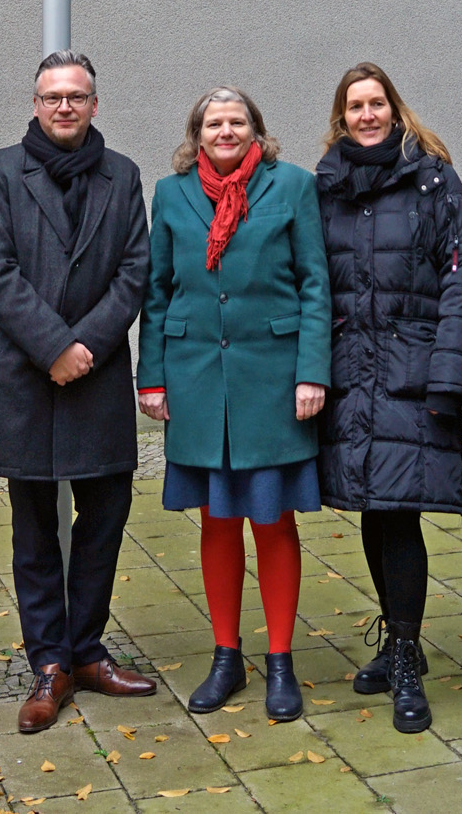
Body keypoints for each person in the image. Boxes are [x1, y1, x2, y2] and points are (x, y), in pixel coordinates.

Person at [0, 51, 157, 734]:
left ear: (95, 103)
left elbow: (135, 270)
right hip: (25, 374)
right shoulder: (0, 171)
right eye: (52, 95)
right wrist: (53, 346)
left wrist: (86, 346)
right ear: (35, 104)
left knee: (106, 512)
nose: (64, 105)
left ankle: (88, 651)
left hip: (94, 373)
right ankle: (49, 662)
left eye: (76, 95)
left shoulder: (123, 175)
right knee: (35, 523)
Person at [137, 87, 331, 723]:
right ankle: (226, 656)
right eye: (213, 122)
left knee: (273, 521)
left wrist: (312, 372)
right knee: (218, 522)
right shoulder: (171, 196)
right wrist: (153, 377)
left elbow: (313, 286)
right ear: (197, 135)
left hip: (274, 381)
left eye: (237, 121)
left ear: (256, 130)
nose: (225, 130)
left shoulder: (292, 186)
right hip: (197, 380)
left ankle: (280, 661)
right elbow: (158, 293)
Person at [314, 62, 462, 733]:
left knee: (401, 513)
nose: (368, 113)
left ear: (394, 106)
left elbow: (461, 283)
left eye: (377, 101)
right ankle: (397, 637)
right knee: (373, 513)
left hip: (413, 373)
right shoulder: (325, 184)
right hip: (353, 374)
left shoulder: (433, 177)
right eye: (356, 104)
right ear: (342, 115)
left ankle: (408, 655)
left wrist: (447, 377)